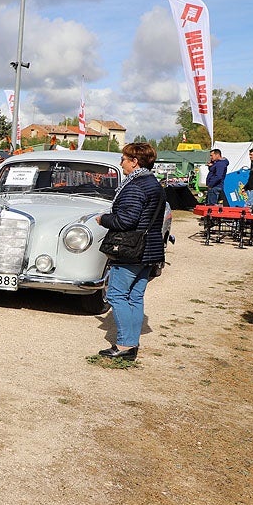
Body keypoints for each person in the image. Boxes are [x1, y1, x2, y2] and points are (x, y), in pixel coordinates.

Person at [95, 142, 166, 361]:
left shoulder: (135, 186)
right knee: (134, 297)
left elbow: (126, 219)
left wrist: (103, 219)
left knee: (116, 295)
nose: (121, 163)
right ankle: (131, 344)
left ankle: (125, 344)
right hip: (149, 249)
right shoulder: (153, 183)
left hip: (131, 249)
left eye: (124, 159)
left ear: (135, 161)